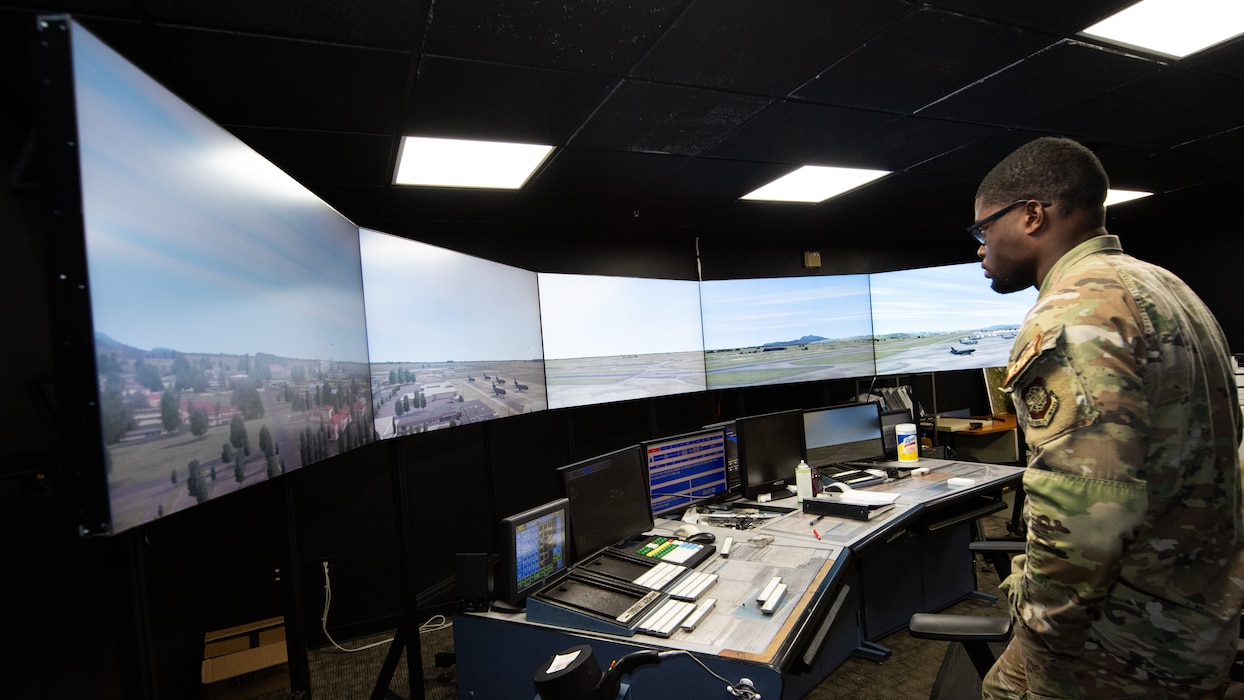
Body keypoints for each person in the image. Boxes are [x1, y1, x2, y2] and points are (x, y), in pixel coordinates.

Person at [972, 136, 1243, 699]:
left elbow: (1085, 515)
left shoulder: (1072, 314)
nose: (980, 248)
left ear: (1030, 216)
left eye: (982, 229)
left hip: (1123, 638)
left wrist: (1041, 631)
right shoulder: (1167, 286)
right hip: (1198, 609)